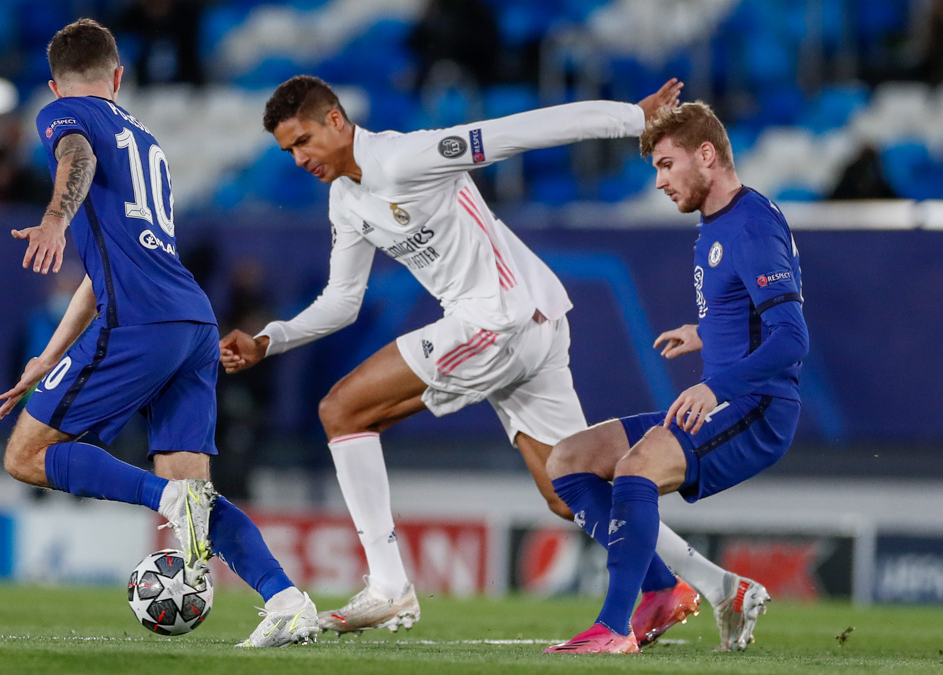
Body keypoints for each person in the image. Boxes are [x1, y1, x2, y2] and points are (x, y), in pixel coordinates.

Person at [220, 75, 760, 645]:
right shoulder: (346, 200)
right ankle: (713, 585)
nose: (299, 158)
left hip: (500, 317)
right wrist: (270, 339)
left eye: (303, 140)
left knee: (341, 409)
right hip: (527, 321)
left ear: (335, 120)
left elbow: (523, 131)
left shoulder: (407, 157)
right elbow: (341, 301)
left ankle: (387, 586)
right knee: (565, 488)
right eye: (288, 151)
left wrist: (633, 117)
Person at [0, 19, 318, 648]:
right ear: (120, 77)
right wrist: (49, 355)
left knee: (24, 456)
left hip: (140, 322)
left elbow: (76, 157)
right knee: (192, 493)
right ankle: (286, 600)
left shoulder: (65, 119)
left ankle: (163, 499)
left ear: (55, 86)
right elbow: (102, 274)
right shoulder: (148, 144)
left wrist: (53, 218)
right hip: (193, 323)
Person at [544, 101, 807, 654]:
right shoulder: (719, 222)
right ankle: (663, 591)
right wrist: (708, 332)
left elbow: (791, 339)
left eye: (667, 164)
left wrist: (716, 384)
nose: (660, 181)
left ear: (706, 155)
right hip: (728, 397)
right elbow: (751, 313)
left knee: (637, 467)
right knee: (568, 459)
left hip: (757, 407)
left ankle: (615, 627)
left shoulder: (752, 224)